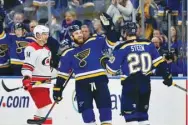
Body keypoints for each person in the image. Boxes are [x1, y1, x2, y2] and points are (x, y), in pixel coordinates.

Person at [101, 21, 173, 125]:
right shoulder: (148, 44)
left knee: (131, 118)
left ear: (125, 32)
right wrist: (167, 76)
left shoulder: (122, 47)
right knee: (143, 117)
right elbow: (160, 63)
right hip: (145, 84)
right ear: (137, 31)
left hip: (130, 85)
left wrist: (105, 62)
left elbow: (111, 70)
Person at [53, 25, 113, 125]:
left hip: (100, 82)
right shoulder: (68, 53)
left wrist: (110, 28)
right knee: (87, 116)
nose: (80, 35)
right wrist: (57, 89)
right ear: (72, 37)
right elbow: (62, 74)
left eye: (80, 32)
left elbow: (112, 41)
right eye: (76, 33)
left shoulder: (95, 41)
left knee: (105, 113)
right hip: (82, 85)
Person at [21, 25, 53, 125]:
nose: (47, 36)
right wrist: (26, 79)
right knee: (46, 110)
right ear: (38, 35)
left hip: (45, 84)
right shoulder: (31, 48)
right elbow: (27, 66)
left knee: (41, 111)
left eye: (47, 34)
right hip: (36, 84)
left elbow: (47, 67)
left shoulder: (47, 49)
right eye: (44, 34)